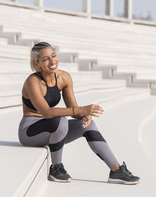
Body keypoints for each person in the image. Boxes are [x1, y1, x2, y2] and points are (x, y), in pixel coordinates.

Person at [18, 42, 140, 185]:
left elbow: (73, 109)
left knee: (88, 124)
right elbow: (47, 113)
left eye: (53, 56)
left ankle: (116, 170)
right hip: (29, 132)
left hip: (54, 129)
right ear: (37, 63)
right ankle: (56, 168)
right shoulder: (32, 81)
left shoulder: (64, 78)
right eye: (45, 59)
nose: (52, 61)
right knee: (61, 121)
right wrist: (82, 109)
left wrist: (84, 115)